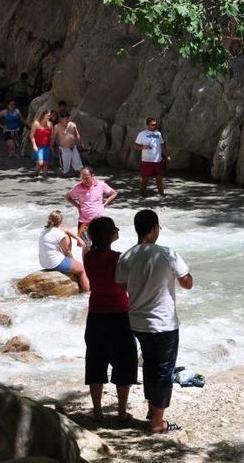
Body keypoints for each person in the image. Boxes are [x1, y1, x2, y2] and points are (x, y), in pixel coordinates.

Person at [115, 209, 192, 433]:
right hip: (164, 322)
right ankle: (158, 422)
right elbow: (187, 283)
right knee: (164, 370)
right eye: (158, 227)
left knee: (149, 365)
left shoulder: (127, 256)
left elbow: (121, 285)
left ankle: (152, 410)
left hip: (138, 322)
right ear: (153, 229)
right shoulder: (167, 253)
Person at [83, 216, 137, 422]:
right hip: (119, 313)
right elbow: (127, 283)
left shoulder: (88, 257)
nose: (118, 231)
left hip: (96, 314)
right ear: (110, 235)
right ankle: (122, 412)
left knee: (95, 361)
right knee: (124, 362)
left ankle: (97, 411)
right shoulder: (119, 258)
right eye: (116, 229)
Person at [37, 210, 89, 292]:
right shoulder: (59, 233)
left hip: (44, 262)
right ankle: (87, 293)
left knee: (66, 237)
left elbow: (65, 230)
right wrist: (73, 260)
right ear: (60, 221)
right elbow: (67, 251)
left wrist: (78, 238)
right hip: (54, 263)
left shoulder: (44, 230)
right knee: (81, 269)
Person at [65, 167, 117, 248]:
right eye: (83, 178)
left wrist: (105, 204)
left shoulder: (101, 185)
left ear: (92, 176)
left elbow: (114, 193)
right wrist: (77, 206)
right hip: (84, 222)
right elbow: (67, 197)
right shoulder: (78, 187)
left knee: (102, 245)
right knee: (85, 246)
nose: (85, 180)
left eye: (87, 178)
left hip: (99, 221)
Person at [134, 117, 168, 197]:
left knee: (159, 177)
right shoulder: (142, 134)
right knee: (145, 178)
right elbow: (135, 146)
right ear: (147, 125)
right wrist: (143, 147)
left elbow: (162, 144)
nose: (155, 126)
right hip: (147, 160)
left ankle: (161, 193)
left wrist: (166, 154)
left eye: (155, 124)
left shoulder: (158, 134)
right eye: (152, 125)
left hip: (158, 160)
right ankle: (143, 193)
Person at [30, 109, 53, 178]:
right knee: (40, 163)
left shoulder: (50, 124)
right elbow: (31, 135)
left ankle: (44, 176)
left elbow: (51, 136)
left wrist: (51, 146)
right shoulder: (36, 123)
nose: (49, 117)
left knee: (45, 163)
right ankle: (35, 173)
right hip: (38, 147)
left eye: (50, 116)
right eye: (48, 115)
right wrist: (34, 145)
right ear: (43, 115)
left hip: (46, 146)